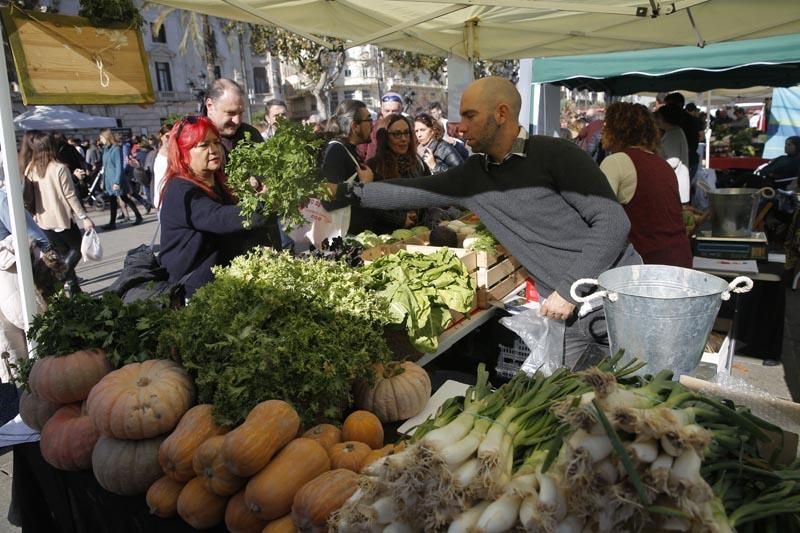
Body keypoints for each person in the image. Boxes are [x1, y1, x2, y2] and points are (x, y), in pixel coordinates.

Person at [333, 77, 640, 367]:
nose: (461, 128)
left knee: (635, 400)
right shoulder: (474, 174)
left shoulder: (557, 155)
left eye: (470, 116)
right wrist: (344, 192)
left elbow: (613, 223)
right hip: (563, 311)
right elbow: (411, 192)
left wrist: (570, 290)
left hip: (612, 301)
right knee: (572, 404)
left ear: (501, 113)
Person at [159, 116, 276, 298]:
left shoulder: (219, 181)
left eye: (216, 142)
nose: (214, 150)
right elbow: (221, 218)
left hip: (226, 285)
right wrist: (267, 201)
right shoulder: (181, 190)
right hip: (194, 294)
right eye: (203, 145)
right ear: (183, 152)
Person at [599, 102, 692, 268]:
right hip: (679, 260)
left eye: (606, 124)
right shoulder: (662, 164)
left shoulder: (616, 162)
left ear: (616, 129)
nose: (602, 130)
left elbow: (599, 215)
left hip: (645, 268)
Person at [24, 131, 95, 295]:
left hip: (42, 219)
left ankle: (74, 290)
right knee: (77, 249)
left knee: (63, 253)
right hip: (61, 217)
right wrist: (84, 217)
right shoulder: (59, 168)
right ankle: (60, 277)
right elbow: (70, 195)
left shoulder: (31, 168)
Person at [320, 100, 376, 235]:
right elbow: (328, 199)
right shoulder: (335, 150)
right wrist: (364, 185)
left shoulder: (346, 148)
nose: (372, 125)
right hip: (341, 236)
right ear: (355, 126)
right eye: (368, 120)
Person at [366, 114, 429, 234]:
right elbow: (371, 204)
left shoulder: (417, 161)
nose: (404, 139)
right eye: (397, 134)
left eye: (406, 133)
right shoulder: (375, 166)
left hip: (421, 231)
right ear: (385, 138)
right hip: (388, 236)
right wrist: (399, 219)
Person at [203, 78, 264, 156]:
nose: (237, 121)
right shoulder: (191, 138)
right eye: (231, 113)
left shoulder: (251, 135)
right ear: (210, 106)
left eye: (241, 113)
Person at [99, 128, 143, 230]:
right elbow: (105, 166)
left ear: (106, 137)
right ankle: (112, 223)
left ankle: (137, 216)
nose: (100, 139)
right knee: (114, 200)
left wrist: (117, 182)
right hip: (109, 179)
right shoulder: (106, 149)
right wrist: (103, 180)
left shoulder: (116, 149)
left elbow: (119, 166)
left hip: (116, 179)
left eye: (101, 137)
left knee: (124, 198)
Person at [665, 93, 702, 178]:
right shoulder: (692, 120)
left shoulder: (675, 123)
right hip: (688, 161)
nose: (666, 108)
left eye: (668, 105)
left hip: (684, 163)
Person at [360, 91, 403, 161]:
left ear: (401, 110)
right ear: (381, 110)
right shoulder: (370, 128)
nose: (390, 114)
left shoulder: (408, 129)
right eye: (387, 111)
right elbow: (360, 154)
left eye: (394, 111)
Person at [152, 123, 172, 210]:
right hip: (160, 200)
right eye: (167, 136)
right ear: (161, 136)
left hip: (171, 199)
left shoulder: (175, 153)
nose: (169, 139)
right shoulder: (155, 153)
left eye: (173, 136)